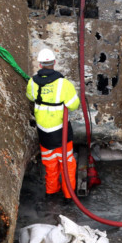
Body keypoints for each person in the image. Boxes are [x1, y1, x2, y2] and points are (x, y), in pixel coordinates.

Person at [26, 48, 80, 198]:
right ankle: (69, 195)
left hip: (43, 132)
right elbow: (74, 105)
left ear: (40, 64)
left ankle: (51, 193)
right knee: (67, 164)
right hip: (61, 132)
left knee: (50, 164)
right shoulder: (64, 84)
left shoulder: (32, 82)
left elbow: (30, 96)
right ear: (54, 62)